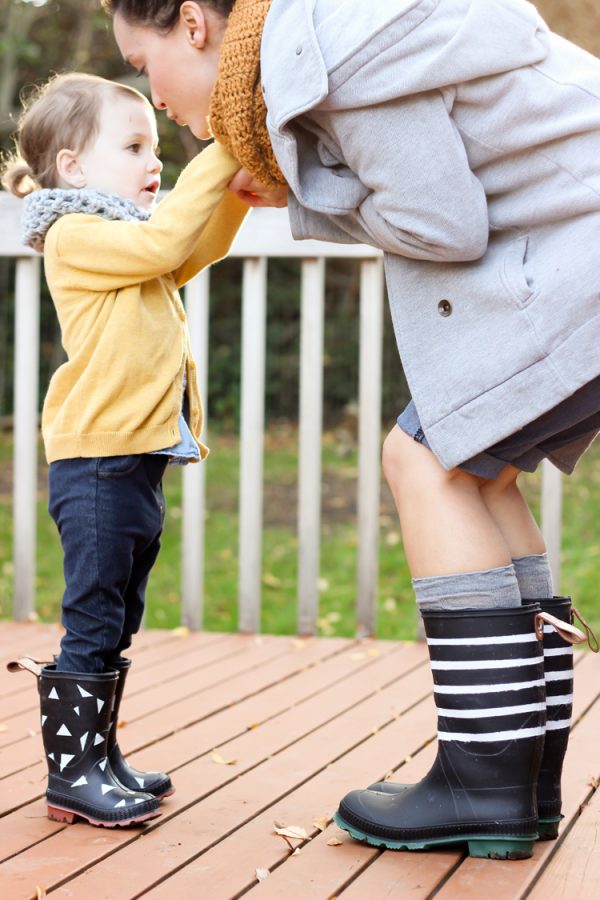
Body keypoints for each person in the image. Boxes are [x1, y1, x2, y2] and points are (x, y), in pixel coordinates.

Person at [103, 0, 600, 859]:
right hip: (574, 254)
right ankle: (521, 774)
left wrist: (307, 197)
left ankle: (489, 778)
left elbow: (441, 227)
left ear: (192, 25)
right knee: (475, 474)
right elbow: (447, 197)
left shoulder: (339, 55)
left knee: (423, 460)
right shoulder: (336, 36)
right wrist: (305, 195)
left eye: (141, 64)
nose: (151, 94)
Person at [2, 70, 252, 827]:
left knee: (118, 614)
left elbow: (191, 247)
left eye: (157, 147)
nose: (156, 162)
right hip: (98, 460)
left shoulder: (122, 237)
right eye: (136, 146)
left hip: (132, 459)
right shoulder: (77, 236)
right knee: (93, 614)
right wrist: (222, 141)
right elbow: (169, 237)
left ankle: (99, 756)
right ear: (72, 166)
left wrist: (236, 195)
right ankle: (72, 776)